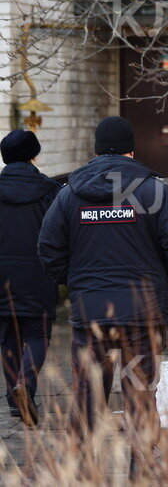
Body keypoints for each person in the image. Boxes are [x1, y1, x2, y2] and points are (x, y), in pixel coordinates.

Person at [38, 116, 168, 476]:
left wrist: (77, 284)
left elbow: (48, 247)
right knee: (140, 389)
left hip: (90, 310)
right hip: (143, 311)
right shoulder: (155, 191)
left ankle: (81, 462)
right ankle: (141, 463)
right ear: (132, 150)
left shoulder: (68, 194)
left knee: (87, 389)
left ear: (95, 151)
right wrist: (162, 284)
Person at [0, 129, 61, 426]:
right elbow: (59, 236)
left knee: (9, 338)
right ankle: (25, 384)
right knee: (37, 336)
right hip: (38, 274)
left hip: (1, 277)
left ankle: (15, 403)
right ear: (33, 155)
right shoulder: (50, 190)